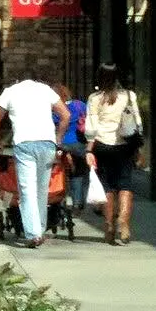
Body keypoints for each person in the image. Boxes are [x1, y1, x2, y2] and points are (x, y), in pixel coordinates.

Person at [0, 69, 69, 248]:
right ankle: (39, 230)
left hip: (24, 144)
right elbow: (66, 115)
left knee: (27, 191)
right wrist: (58, 139)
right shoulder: (46, 90)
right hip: (47, 143)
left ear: (18, 80)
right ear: (36, 79)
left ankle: (33, 234)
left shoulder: (10, 92)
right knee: (42, 190)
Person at [85, 63, 143, 244]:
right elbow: (137, 122)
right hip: (125, 145)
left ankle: (109, 225)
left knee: (107, 186)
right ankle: (123, 221)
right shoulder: (129, 96)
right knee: (125, 183)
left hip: (102, 145)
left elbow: (91, 127)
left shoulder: (95, 98)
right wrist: (138, 147)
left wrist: (88, 150)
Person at [57, 83, 89, 214]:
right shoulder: (80, 104)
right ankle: (78, 202)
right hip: (79, 144)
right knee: (79, 173)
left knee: (60, 173)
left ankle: (60, 200)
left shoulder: (55, 109)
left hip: (61, 145)